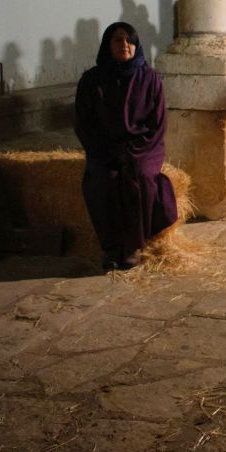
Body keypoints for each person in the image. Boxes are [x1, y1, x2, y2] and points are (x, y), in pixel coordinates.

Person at [75, 22, 177, 270]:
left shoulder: (149, 79)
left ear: (136, 45)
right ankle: (111, 247)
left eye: (129, 40)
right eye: (118, 40)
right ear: (107, 45)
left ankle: (134, 246)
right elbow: (84, 123)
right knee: (103, 179)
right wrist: (106, 150)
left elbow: (157, 125)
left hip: (144, 147)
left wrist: (132, 151)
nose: (125, 45)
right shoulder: (92, 80)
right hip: (104, 148)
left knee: (139, 176)